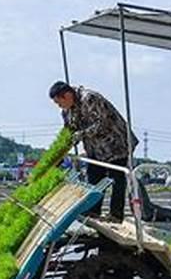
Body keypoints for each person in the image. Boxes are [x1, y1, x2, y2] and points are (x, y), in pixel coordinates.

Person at [49, 80, 137, 221]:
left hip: (115, 143)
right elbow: (68, 133)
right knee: (94, 177)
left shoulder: (89, 98)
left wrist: (81, 134)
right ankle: (93, 211)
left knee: (117, 178)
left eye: (60, 102)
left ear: (67, 95)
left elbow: (102, 123)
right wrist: (56, 158)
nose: (60, 106)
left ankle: (116, 215)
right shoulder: (67, 112)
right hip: (95, 149)